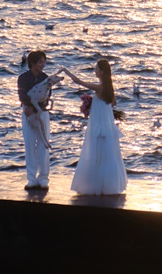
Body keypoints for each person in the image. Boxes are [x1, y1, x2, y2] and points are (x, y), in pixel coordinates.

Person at [61, 57, 127, 195]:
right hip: (107, 127)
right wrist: (96, 104)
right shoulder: (108, 88)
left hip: (99, 127)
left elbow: (79, 82)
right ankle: (107, 185)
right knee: (107, 156)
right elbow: (113, 103)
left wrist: (66, 71)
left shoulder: (100, 87)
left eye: (96, 69)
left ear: (101, 72)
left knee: (96, 155)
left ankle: (96, 185)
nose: (95, 71)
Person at [18, 50, 63, 190]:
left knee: (44, 144)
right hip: (28, 113)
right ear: (32, 63)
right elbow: (22, 95)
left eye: (44, 62)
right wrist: (29, 108)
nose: (43, 65)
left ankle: (43, 178)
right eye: (40, 62)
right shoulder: (23, 78)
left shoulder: (46, 78)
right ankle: (31, 179)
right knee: (30, 144)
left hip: (42, 112)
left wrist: (40, 106)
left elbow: (48, 96)